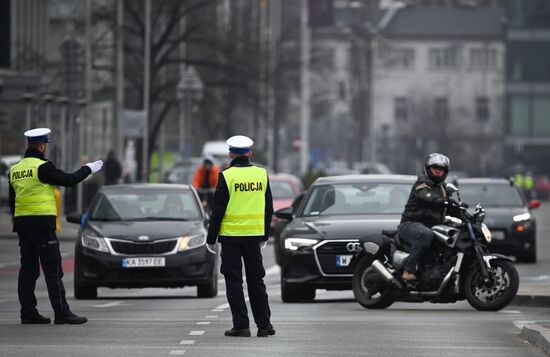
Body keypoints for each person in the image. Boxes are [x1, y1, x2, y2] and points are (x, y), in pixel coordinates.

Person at [8, 128, 103, 325]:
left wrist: (18, 222)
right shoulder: (42, 167)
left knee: (28, 271)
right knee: (52, 269)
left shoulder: (15, 170)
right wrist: (88, 169)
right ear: (42, 145)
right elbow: (68, 180)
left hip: (23, 226)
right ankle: (62, 312)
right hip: (42, 225)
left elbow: (12, 201)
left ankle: (28, 313)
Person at [206, 135, 275, 338]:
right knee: (256, 281)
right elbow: (268, 208)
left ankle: (241, 326)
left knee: (234, 282)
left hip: (231, 238)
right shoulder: (262, 174)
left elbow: (217, 211)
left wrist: (211, 239)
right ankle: (264, 326)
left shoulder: (226, 176)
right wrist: (264, 234)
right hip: (254, 237)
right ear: (250, 153)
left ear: (230, 154)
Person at [398, 153, 453, 282]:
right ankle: (408, 270)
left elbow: (447, 207)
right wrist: (440, 201)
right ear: (428, 168)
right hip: (410, 225)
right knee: (425, 234)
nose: (438, 172)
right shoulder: (422, 184)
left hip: (431, 226)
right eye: (435, 168)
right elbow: (427, 196)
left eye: (441, 169)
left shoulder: (443, 188)